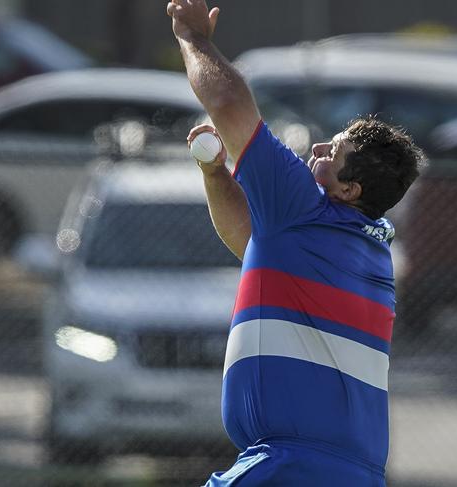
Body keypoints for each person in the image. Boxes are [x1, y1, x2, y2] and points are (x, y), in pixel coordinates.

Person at [167, 1, 425, 485]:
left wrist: (192, 38)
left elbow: (227, 105)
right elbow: (251, 243)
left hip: (290, 465)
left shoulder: (302, 207)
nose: (319, 148)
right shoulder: (370, 250)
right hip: (356, 474)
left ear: (350, 190)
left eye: (335, 150)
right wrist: (214, 173)